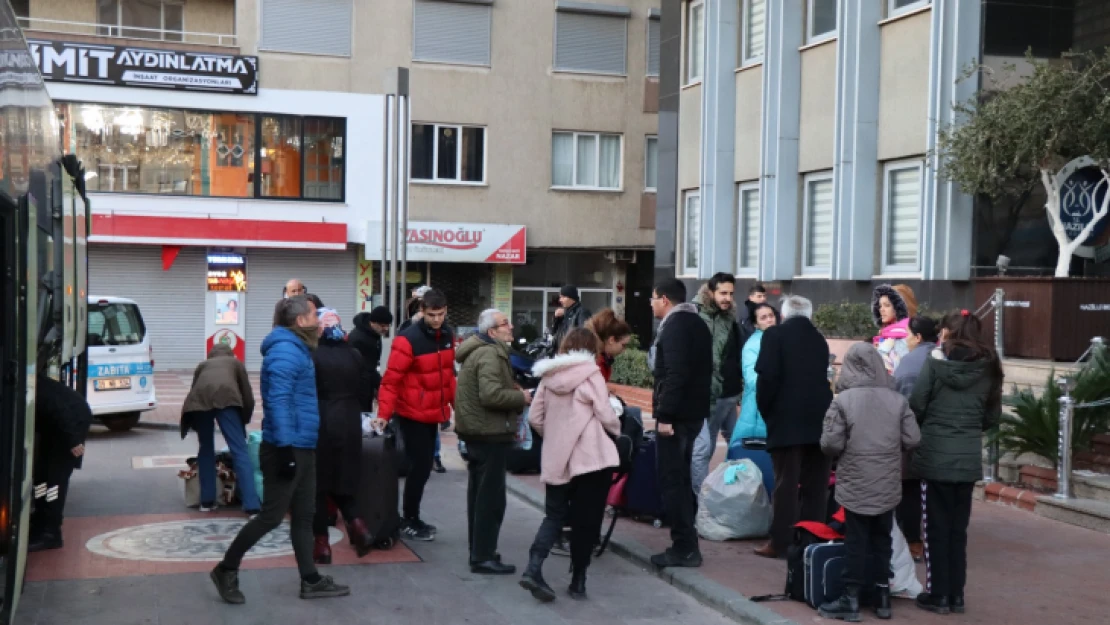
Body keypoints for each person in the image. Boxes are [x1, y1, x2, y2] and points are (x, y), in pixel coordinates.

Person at [211, 295, 348, 604]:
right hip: (287, 448)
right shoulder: (286, 352)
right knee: (271, 516)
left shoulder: (299, 349)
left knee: (304, 515)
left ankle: (310, 579)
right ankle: (225, 569)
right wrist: (286, 451)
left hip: (302, 445)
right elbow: (278, 404)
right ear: (301, 321)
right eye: (315, 315)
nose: (320, 321)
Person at [818, 343, 921, 622]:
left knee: (856, 540)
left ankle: (849, 600)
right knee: (882, 539)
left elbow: (830, 443)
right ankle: (883, 597)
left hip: (855, 480)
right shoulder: (897, 400)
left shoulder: (844, 400)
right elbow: (912, 439)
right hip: (887, 480)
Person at [910, 311, 1002, 615]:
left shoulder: (936, 361)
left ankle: (938, 595)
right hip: (966, 459)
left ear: (950, 331)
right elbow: (991, 416)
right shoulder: (990, 366)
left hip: (935, 455)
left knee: (934, 528)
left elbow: (917, 404)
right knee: (957, 529)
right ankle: (956, 594)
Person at [520, 328, 621, 602]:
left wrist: (556, 436)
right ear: (590, 349)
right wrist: (617, 429)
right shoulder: (591, 373)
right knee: (586, 521)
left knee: (553, 515)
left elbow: (535, 417)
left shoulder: (548, 377)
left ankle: (534, 567)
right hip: (592, 458)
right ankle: (578, 582)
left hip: (557, 456)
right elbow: (604, 412)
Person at [753, 295, 833, 559]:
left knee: (786, 483)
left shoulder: (774, 336)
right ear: (810, 315)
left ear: (784, 315)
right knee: (816, 485)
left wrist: (769, 413)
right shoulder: (819, 339)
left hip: (786, 420)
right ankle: (811, 540)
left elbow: (766, 380)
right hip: (819, 419)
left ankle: (781, 541)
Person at [375, 288, 456, 542]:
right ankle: (410, 519)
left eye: (441, 314)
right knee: (418, 468)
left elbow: (448, 376)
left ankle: (411, 517)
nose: (437, 319)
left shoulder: (447, 335)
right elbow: (390, 381)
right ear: (422, 311)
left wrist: (455, 409)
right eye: (432, 314)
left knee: (422, 468)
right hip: (412, 412)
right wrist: (383, 414)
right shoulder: (407, 339)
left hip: (433, 412)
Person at [455, 309, 532, 574]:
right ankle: (483, 556)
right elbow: (490, 395)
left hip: (478, 432)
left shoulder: (481, 351)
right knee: (490, 498)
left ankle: (479, 550)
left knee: (479, 495)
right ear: (492, 332)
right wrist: (521, 398)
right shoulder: (489, 353)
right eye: (504, 323)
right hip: (488, 433)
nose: (510, 326)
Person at [647, 278, 712, 569]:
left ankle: (684, 546)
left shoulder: (674, 327)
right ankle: (687, 543)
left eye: (652, 298)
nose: (650, 304)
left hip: (677, 418)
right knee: (682, 480)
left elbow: (674, 375)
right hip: (695, 414)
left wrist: (665, 416)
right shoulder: (699, 323)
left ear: (664, 299)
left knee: (673, 481)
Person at [311, 308, 376, 564]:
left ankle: (322, 545)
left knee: (318, 486)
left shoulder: (313, 356)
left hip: (323, 420)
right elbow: (364, 389)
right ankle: (359, 526)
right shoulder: (355, 355)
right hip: (350, 420)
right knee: (344, 479)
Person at [180, 343, 259, 516]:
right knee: (239, 450)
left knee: (206, 449)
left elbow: (194, 391)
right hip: (228, 401)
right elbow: (247, 394)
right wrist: (243, 420)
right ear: (230, 354)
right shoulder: (235, 364)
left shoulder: (203, 365)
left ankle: (207, 502)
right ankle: (252, 505)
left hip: (200, 403)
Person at [892, 316, 940, 561]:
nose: (907, 340)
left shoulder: (910, 363)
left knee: (909, 488)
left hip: (914, 435)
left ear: (918, 337)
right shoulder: (946, 358)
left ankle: (913, 540)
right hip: (944, 436)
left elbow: (902, 400)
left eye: (908, 335)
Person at [691, 273, 744, 494]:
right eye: (723, 293)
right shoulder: (697, 314)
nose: (728, 298)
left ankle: (734, 491)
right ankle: (701, 497)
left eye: (731, 293)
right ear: (710, 291)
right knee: (704, 447)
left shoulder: (730, 317)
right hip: (709, 393)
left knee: (738, 442)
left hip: (730, 392)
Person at [28, 375, 93, 552]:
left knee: (54, 480)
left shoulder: (30, 389)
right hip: (59, 425)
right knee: (42, 475)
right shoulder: (28, 383)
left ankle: (50, 533)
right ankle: (41, 521)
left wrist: (73, 441)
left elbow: (60, 411)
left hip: (70, 423)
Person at [731, 303, 778, 449]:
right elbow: (752, 379)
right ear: (756, 324)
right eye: (763, 318)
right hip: (756, 410)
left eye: (771, 316)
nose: (769, 320)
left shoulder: (777, 339)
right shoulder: (753, 345)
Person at [349, 306, 392, 411]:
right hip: (358, 387)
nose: (386, 329)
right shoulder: (359, 339)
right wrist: (380, 385)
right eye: (383, 326)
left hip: (366, 383)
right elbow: (366, 368)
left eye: (388, 325)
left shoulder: (373, 334)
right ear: (373, 323)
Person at [872, 284, 918, 374]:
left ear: (899, 308)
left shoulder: (906, 335)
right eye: (880, 306)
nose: (881, 309)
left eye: (887, 305)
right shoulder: (887, 333)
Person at [551, 285, 592, 354]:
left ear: (571, 297)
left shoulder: (582, 312)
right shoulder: (564, 313)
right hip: (561, 353)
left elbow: (585, 334)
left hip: (573, 353)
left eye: (563, 297)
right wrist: (556, 318)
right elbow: (554, 332)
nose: (560, 300)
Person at [738, 283, 768, 347]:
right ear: (751, 297)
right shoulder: (747, 312)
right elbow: (749, 331)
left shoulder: (765, 309)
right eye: (759, 296)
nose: (763, 299)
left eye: (764, 296)